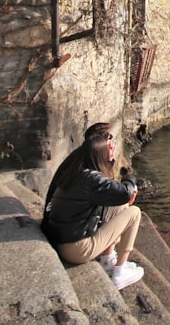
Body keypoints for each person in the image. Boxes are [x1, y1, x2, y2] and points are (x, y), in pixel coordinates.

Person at [41, 124, 145, 290]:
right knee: (134, 212)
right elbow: (124, 192)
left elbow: (114, 196)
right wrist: (130, 178)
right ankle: (119, 272)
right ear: (99, 151)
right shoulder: (91, 179)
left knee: (120, 206)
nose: (112, 145)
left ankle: (108, 259)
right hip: (77, 249)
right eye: (108, 142)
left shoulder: (77, 169)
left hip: (62, 238)